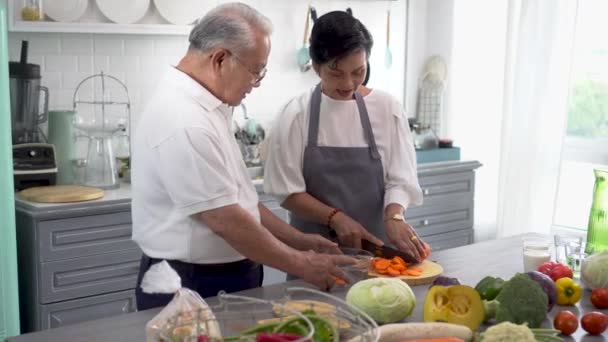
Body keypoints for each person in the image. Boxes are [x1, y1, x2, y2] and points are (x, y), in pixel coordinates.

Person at [131, 3, 354, 311]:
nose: (256, 82)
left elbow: (239, 199)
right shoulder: (184, 119)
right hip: (191, 283)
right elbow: (226, 220)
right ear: (220, 59)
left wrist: (299, 240)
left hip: (224, 275)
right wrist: (302, 264)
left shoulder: (210, 106)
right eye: (255, 70)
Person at [264, 11, 427, 263]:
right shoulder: (296, 114)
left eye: (358, 71)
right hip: (316, 259)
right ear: (316, 66)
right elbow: (288, 192)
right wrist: (335, 218)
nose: (348, 84)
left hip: (378, 256)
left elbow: (401, 179)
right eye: (336, 73)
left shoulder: (387, 108)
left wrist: (394, 216)